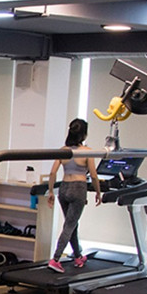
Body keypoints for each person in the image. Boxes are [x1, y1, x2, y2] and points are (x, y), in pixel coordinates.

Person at [46, 117, 102, 273]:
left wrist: (51, 191)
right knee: (69, 225)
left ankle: (78, 256)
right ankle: (55, 259)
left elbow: (52, 172)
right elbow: (94, 175)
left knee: (72, 224)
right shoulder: (88, 152)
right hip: (78, 188)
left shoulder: (63, 150)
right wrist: (98, 192)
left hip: (64, 188)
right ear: (84, 134)